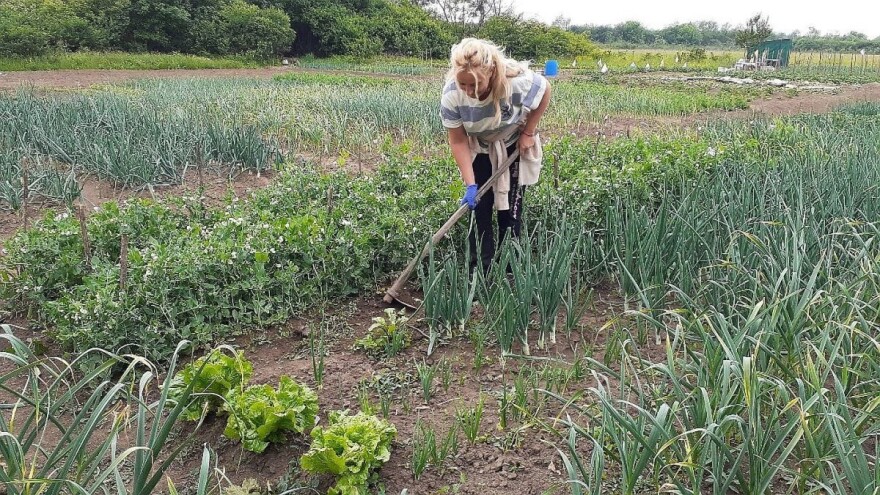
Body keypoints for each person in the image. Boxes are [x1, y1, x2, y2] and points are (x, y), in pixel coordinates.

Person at [439, 38, 552, 274]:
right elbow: (458, 140)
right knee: (479, 208)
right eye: (463, 84)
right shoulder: (452, 95)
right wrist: (471, 184)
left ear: (490, 73)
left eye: (475, 84)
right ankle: (480, 269)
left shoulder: (516, 85)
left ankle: (511, 270)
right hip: (480, 147)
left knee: (510, 209)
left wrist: (529, 131)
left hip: (512, 144)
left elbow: (544, 91)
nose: (469, 91)